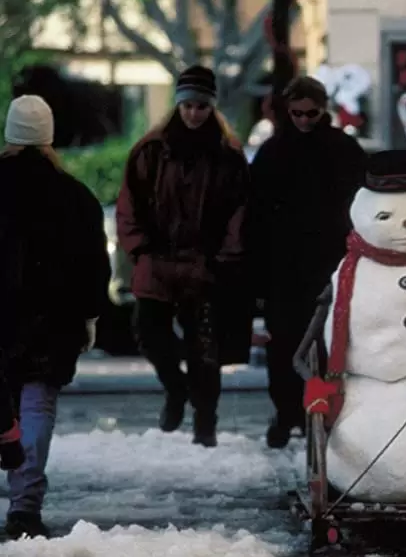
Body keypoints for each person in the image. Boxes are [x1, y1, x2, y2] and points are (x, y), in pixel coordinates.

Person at [116, 65, 251, 448]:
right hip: (158, 257)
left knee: (204, 350)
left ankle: (204, 425)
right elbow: (130, 203)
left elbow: (239, 209)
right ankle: (176, 390)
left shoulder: (227, 155)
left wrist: (225, 254)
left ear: (212, 108)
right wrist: (139, 247)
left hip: (203, 263)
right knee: (149, 333)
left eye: (201, 107)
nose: (194, 113)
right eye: (189, 105)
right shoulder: (152, 150)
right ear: (178, 105)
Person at [0, 95, 111, 538]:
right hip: (52, 319)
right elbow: (93, 265)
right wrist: (89, 317)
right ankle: (24, 503)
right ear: (48, 137)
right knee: (37, 405)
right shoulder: (74, 196)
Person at [249, 75, 366, 448]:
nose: (303, 120)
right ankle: (289, 413)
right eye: (296, 113)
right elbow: (255, 214)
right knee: (287, 343)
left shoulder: (337, 150)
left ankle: (315, 411)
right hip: (288, 265)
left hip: (324, 262)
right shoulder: (277, 152)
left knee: (324, 342)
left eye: (309, 113)